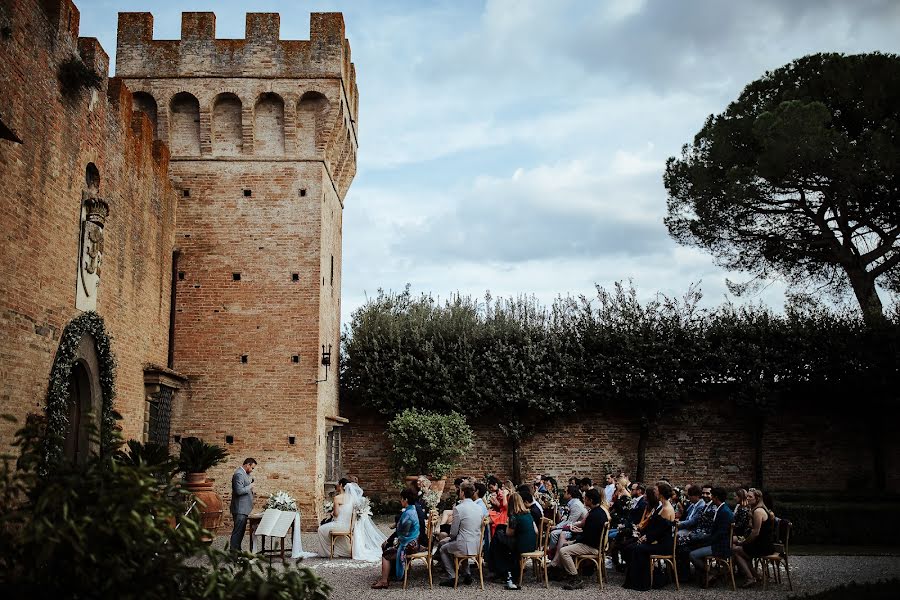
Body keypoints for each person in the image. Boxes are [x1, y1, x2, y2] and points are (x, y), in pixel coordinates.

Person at [622, 481, 676, 591]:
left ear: (660, 493)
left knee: (639, 549)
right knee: (632, 546)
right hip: (657, 540)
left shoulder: (666, 509)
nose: (654, 492)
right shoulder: (662, 506)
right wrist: (645, 536)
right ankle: (638, 580)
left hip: (663, 544)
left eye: (656, 490)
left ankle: (644, 582)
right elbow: (655, 528)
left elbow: (660, 531)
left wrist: (646, 538)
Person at [315, 481, 386, 560]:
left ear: (341, 485)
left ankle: (328, 552)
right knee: (326, 529)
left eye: (338, 483)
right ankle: (337, 551)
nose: (337, 485)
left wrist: (332, 513)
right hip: (349, 526)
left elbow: (336, 514)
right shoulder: (353, 498)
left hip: (339, 525)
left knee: (321, 529)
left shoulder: (337, 498)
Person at [555, 488, 608, 590]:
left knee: (563, 551)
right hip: (593, 543)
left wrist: (575, 538)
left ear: (591, 500)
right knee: (565, 545)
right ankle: (563, 572)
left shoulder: (594, 515)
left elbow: (588, 538)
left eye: (586, 499)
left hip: (592, 546)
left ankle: (575, 578)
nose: (584, 501)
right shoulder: (600, 511)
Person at [371, 488, 421, 589]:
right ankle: (390, 574)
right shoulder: (412, 509)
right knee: (389, 547)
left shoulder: (408, 514)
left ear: (406, 499)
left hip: (409, 544)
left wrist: (395, 538)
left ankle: (384, 580)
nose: (400, 500)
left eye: (401, 498)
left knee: (386, 554)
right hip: (413, 541)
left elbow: (403, 533)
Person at [438, 483, 484, 587]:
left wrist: (449, 538)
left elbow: (453, 533)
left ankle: (452, 576)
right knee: (460, 542)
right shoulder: (479, 507)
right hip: (478, 545)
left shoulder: (459, 508)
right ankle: (467, 573)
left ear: (462, 492)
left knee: (443, 548)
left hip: (464, 545)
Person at [490, 492, 537, 590]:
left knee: (498, 540)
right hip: (532, 544)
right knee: (499, 536)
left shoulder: (514, 517)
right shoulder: (528, 514)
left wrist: (508, 525)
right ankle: (503, 571)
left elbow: (509, 533)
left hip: (521, 545)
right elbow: (536, 531)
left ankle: (503, 571)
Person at [689, 487, 734, 587]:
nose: (711, 498)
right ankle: (704, 575)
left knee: (692, 555)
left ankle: (712, 572)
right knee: (695, 546)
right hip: (717, 542)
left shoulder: (724, 512)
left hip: (720, 546)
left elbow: (720, 534)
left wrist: (706, 541)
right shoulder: (721, 508)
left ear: (716, 497)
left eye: (712, 496)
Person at [732, 488, 775, 588]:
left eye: (750, 497)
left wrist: (744, 543)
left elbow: (755, 533)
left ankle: (750, 578)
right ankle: (756, 576)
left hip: (763, 546)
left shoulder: (758, 511)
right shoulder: (756, 509)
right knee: (741, 551)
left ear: (757, 498)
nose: (747, 498)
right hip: (760, 543)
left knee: (735, 550)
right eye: (747, 496)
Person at [548, 485, 587, 557]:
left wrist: (556, 527)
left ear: (570, 494)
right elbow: (567, 519)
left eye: (565, 492)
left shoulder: (576, 505)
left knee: (554, 534)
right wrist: (557, 526)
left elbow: (570, 522)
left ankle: (552, 555)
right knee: (553, 531)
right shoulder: (572, 503)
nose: (563, 493)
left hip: (577, 530)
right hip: (572, 526)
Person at [229, 457, 257, 551]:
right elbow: (239, 491)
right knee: (237, 532)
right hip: (240, 509)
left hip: (243, 509)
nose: (252, 470)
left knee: (241, 532)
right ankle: (233, 554)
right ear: (247, 465)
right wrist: (250, 486)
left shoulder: (244, 474)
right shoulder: (239, 474)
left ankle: (238, 551)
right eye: (252, 468)